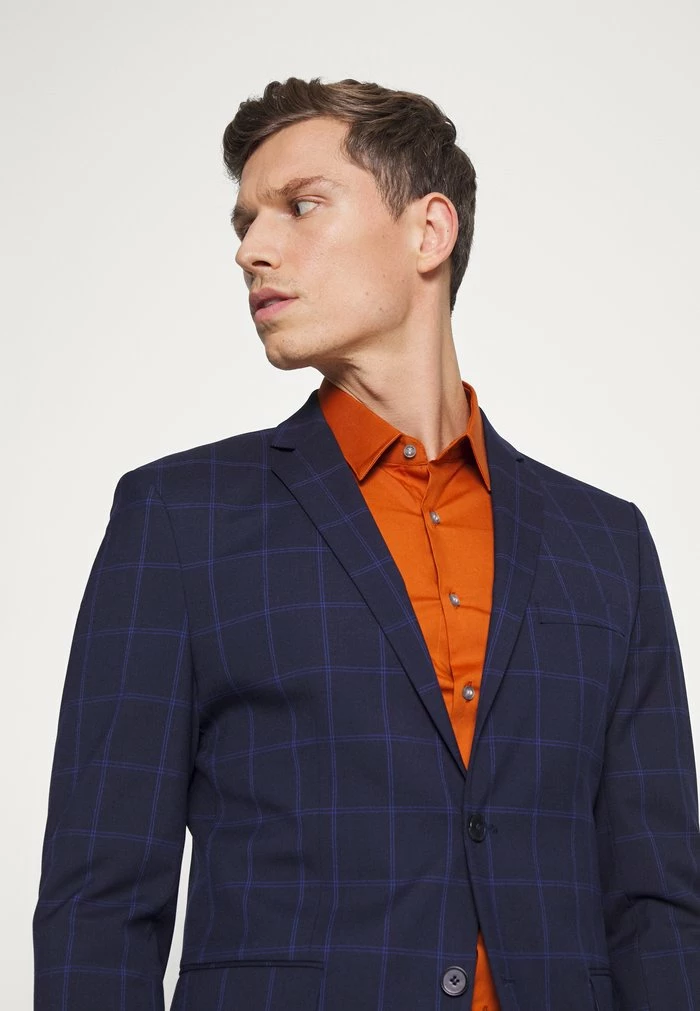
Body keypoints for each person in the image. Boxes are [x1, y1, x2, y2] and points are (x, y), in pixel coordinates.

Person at [33, 76, 700, 1011]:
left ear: (429, 232)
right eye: (245, 223)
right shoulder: (180, 521)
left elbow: (659, 909)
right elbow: (98, 907)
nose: (251, 249)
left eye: (300, 206)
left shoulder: (606, 545)